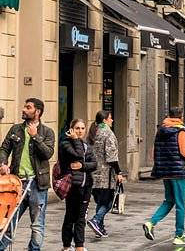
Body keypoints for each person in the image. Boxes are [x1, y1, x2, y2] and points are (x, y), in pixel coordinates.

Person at [143, 107, 185, 247]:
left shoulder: (161, 130)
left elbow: (154, 152)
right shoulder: (181, 131)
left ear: (169, 116)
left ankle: (151, 223)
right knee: (180, 205)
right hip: (178, 172)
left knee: (169, 201)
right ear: (181, 117)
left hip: (166, 172)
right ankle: (179, 235)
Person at [0, 98, 55, 251]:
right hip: (16, 184)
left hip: (37, 184)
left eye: (28, 107)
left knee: (37, 224)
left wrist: (35, 136)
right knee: (8, 221)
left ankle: (34, 249)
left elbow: (48, 154)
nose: (24, 109)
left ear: (38, 112)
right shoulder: (15, 129)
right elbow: (4, 149)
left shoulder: (47, 132)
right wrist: (3, 163)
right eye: (24, 106)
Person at [59, 118, 97, 251]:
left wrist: (82, 166)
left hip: (86, 186)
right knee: (70, 216)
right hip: (72, 185)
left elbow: (94, 164)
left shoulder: (87, 145)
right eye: (77, 128)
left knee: (81, 217)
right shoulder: (65, 144)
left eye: (82, 128)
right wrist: (75, 140)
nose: (80, 131)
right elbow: (78, 154)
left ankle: (79, 245)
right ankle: (66, 245)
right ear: (71, 130)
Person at [87, 110, 125, 238]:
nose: (112, 120)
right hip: (105, 174)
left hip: (93, 173)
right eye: (110, 118)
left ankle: (100, 228)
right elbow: (111, 157)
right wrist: (119, 172)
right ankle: (96, 220)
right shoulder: (108, 133)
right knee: (108, 202)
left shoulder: (93, 132)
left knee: (100, 201)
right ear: (104, 120)